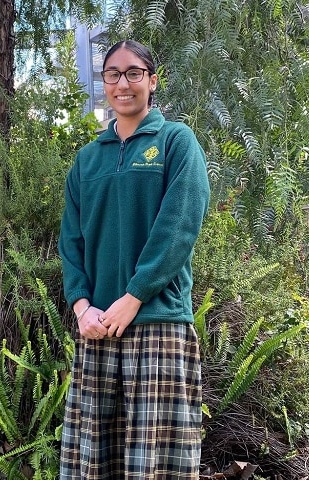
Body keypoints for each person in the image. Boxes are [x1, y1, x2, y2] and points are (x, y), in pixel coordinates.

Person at [58, 39, 211, 479]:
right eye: (112, 74)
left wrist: (135, 296)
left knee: (156, 465)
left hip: (158, 320)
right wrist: (82, 305)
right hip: (98, 327)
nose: (122, 83)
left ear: (151, 80)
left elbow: (179, 227)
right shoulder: (86, 161)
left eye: (133, 73)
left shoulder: (176, 143)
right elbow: (71, 241)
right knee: (93, 462)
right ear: (104, 83)